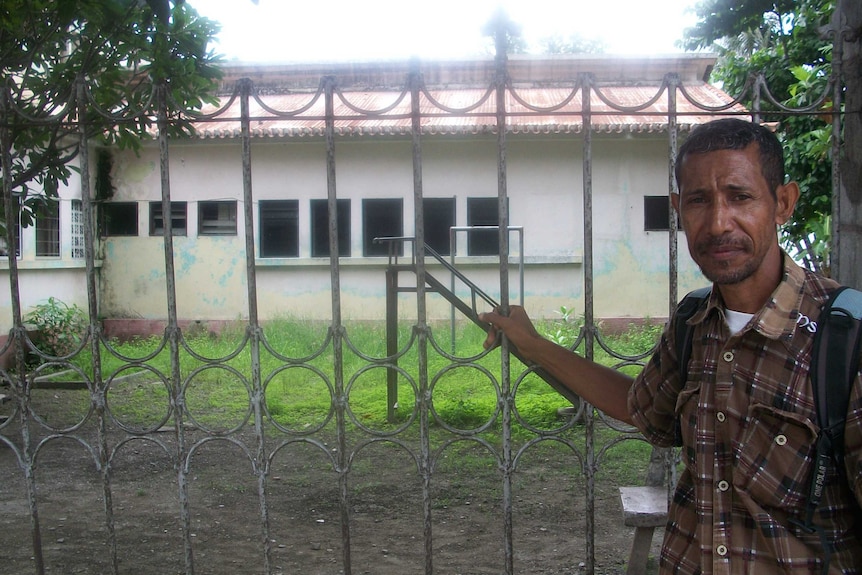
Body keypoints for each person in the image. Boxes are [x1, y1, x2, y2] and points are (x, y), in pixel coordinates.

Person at [479, 118, 862, 574]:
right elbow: (639, 405)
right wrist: (534, 345)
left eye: (740, 197)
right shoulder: (693, 322)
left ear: (782, 203)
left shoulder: (844, 340)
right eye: (699, 201)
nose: (719, 223)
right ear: (679, 208)